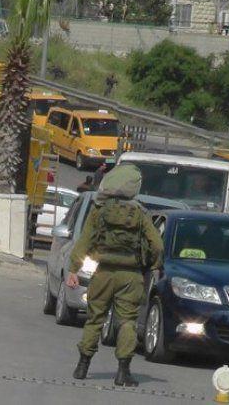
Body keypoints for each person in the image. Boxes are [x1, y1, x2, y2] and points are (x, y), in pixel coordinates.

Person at [66, 164, 164, 387]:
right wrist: (154, 265)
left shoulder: (99, 210)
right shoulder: (141, 213)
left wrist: (73, 270)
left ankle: (82, 366)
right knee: (127, 321)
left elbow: (84, 242)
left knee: (94, 319)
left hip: (103, 273)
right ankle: (123, 372)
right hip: (130, 276)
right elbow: (157, 245)